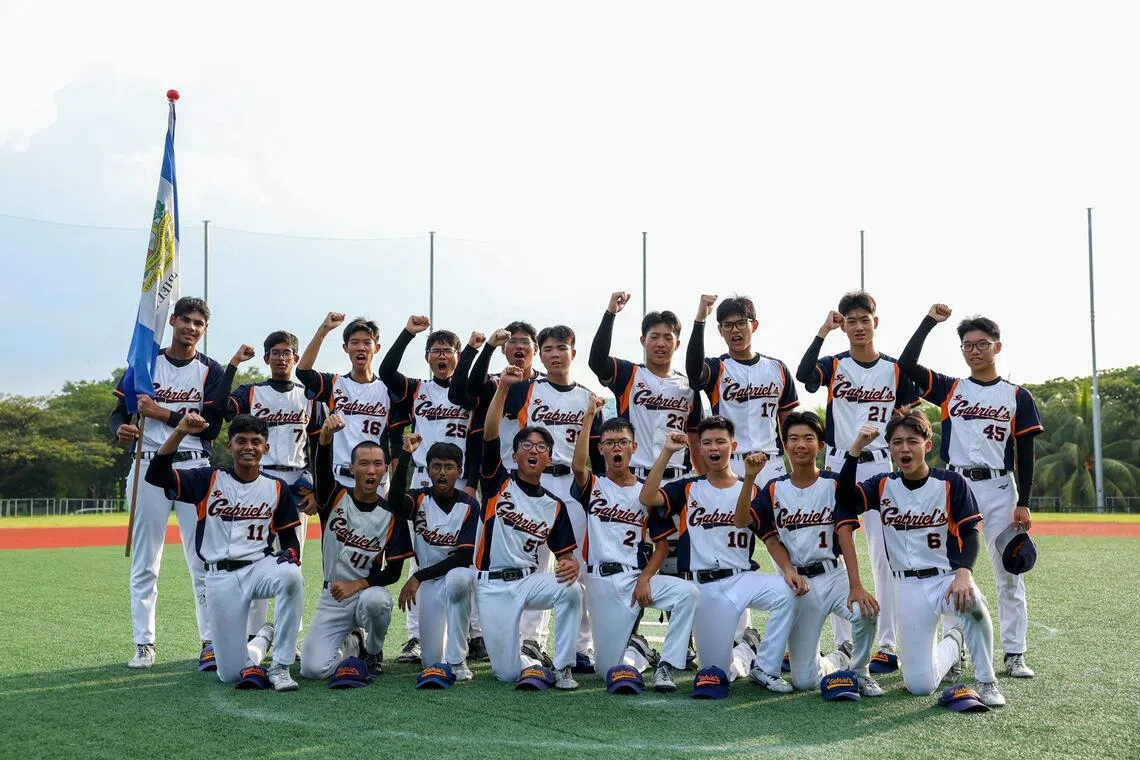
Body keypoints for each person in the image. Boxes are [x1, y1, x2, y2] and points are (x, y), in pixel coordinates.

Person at [898, 304, 1043, 679]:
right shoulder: (952, 389)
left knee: (1009, 573)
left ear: (998, 347)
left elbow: (1025, 453)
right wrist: (930, 321)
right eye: (967, 345)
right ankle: (954, 648)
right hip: (956, 486)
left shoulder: (1017, 396)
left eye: (981, 344)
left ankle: (1014, 653)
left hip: (999, 487)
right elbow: (908, 363)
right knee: (949, 571)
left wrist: (1024, 502)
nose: (974, 351)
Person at [835, 414, 1006, 707]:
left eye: (912, 441)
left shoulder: (951, 482)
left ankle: (987, 680)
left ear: (927, 446)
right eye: (897, 442)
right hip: (907, 587)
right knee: (920, 686)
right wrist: (854, 451)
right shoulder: (881, 484)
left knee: (973, 603)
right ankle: (954, 641)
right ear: (889, 449)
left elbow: (969, 531)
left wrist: (964, 574)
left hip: (947, 578)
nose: (904, 448)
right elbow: (846, 498)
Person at [795, 291, 919, 665]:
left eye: (865, 319)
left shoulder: (895, 369)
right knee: (834, 552)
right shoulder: (834, 364)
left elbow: (908, 406)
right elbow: (804, 376)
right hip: (837, 464)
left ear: (875, 323)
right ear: (843, 324)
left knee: (884, 555)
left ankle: (887, 643)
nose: (859, 327)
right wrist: (822, 331)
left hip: (880, 464)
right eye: (851, 320)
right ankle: (845, 640)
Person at [144, 413, 303, 690]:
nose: (249, 447)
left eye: (256, 441)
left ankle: (280, 665)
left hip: (258, 566)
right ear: (229, 447)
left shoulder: (277, 487)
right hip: (220, 576)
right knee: (230, 673)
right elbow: (156, 474)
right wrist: (180, 431)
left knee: (292, 576)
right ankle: (264, 638)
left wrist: (290, 555)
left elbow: (290, 539)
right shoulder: (208, 478)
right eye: (241, 441)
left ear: (266, 448)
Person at [110, 296, 226, 669]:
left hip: (194, 469)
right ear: (172, 320)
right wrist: (122, 430)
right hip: (147, 466)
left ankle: (210, 641)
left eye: (199, 323)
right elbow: (117, 413)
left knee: (203, 560)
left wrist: (162, 412)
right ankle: (144, 643)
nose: (191, 328)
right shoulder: (144, 363)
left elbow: (211, 423)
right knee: (146, 561)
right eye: (186, 320)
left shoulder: (212, 371)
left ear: (205, 330)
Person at [640, 418, 796, 693]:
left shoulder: (751, 489)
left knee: (786, 592)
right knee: (717, 672)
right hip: (703, 586)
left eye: (721, 441)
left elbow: (770, 539)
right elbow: (648, 497)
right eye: (708, 442)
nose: (714, 447)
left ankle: (766, 667)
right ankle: (747, 651)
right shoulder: (688, 488)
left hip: (741, 578)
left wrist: (789, 570)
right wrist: (667, 452)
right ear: (699, 449)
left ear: (733, 446)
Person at [735, 411, 881, 695]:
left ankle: (860, 671)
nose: (800, 444)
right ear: (785, 446)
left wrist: (856, 585)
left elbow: (845, 535)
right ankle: (838, 659)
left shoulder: (835, 483)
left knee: (865, 612)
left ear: (821, 445)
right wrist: (750, 479)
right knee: (804, 681)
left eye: (808, 438)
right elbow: (747, 524)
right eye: (793, 438)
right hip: (800, 583)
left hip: (833, 574)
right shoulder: (774, 488)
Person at [458, 365, 583, 689]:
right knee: (508, 674)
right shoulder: (497, 481)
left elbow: (567, 555)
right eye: (527, 445)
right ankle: (525, 662)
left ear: (549, 459)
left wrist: (569, 564)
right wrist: (502, 389)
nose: (534, 451)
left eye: (542, 448)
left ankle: (563, 667)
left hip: (529, 581)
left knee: (572, 591)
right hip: (494, 586)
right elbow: (489, 434)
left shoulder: (555, 505)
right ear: (514, 454)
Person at [570, 397, 700, 692]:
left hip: (634, 577)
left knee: (687, 594)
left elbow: (663, 546)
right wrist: (589, 415)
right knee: (608, 671)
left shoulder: (646, 492)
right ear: (601, 448)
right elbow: (578, 465)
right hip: (601, 580)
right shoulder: (594, 485)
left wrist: (645, 577)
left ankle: (666, 665)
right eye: (610, 442)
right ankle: (639, 650)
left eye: (623, 441)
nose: (616, 447)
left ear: (634, 448)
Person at [379, 315, 480, 664]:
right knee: (420, 554)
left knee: (468, 555)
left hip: (462, 479)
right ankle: (415, 637)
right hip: (422, 475)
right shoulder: (416, 388)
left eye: (448, 350)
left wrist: (473, 350)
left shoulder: (468, 390)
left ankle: (473, 633)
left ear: (456, 355)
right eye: (436, 350)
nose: (442, 355)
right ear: (427, 357)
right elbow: (387, 370)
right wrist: (407, 333)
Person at [224, 331, 324, 640]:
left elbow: (321, 445)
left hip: (296, 482)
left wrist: (317, 488)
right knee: (254, 560)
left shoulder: (309, 395)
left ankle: (287, 636)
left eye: (287, 352)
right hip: (259, 480)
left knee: (292, 563)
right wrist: (233, 365)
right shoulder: (250, 392)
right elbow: (219, 408)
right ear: (266, 358)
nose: (282, 357)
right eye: (275, 352)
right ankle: (254, 635)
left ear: (296, 358)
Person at [299, 413, 413, 680]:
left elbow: (393, 572)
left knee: (378, 600)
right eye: (363, 464)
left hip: (364, 594)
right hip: (333, 597)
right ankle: (354, 642)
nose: (370, 470)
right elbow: (322, 469)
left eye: (377, 464)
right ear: (351, 468)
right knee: (312, 669)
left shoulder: (390, 515)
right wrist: (325, 438)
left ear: (385, 469)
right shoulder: (334, 497)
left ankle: (372, 650)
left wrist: (357, 585)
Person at [388, 433, 481, 681]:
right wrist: (406, 454)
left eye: (449, 467)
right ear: (428, 471)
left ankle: (458, 660)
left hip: (453, 575)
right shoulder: (420, 498)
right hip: (429, 582)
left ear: (459, 471)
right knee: (431, 660)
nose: (442, 473)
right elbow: (395, 502)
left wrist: (417, 575)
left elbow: (463, 557)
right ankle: (443, 654)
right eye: (436, 467)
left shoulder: (470, 505)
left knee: (459, 579)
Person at [686, 294, 798, 484]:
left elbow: (789, 427)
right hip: (731, 464)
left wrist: (796, 471)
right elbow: (694, 374)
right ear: (720, 330)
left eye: (741, 323)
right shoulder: (716, 368)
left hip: (771, 464)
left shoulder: (777, 368)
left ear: (754, 325)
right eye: (727, 325)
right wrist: (700, 320)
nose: (734, 330)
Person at [296, 312, 404, 489]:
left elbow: (396, 442)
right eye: (354, 342)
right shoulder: (335, 384)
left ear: (376, 348)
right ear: (345, 348)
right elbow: (303, 372)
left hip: (377, 480)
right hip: (339, 479)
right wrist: (324, 330)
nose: (361, 347)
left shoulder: (388, 389)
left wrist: (398, 490)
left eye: (367, 342)